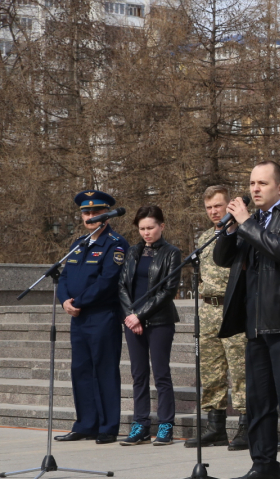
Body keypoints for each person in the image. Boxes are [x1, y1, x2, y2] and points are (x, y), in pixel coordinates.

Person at [214, 160, 280, 479]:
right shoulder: (251, 219)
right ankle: (264, 465)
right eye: (252, 183)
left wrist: (245, 223)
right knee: (259, 400)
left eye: (262, 183)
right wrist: (231, 230)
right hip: (255, 323)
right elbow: (221, 258)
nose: (254, 189)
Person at [55, 190, 129, 444]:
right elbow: (63, 277)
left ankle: (107, 427)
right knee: (81, 370)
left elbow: (107, 281)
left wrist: (79, 302)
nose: (89, 216)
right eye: (86, 212)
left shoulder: (115, 244)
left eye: (95, 212)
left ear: (106, 214)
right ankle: (86, 424)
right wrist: (64, 300)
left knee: (105, 371)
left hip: (101, 316)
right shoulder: (78, 244)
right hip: (78, 318)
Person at [185, 186, 248, 451]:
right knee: (210, 371)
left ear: (230, 206)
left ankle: (247, 426)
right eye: (209, 207)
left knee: (241, 370)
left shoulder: (244, 233)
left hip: (233, 307)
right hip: (207, 309)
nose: (214, 212)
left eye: (218, 206)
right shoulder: (205, 238)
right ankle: (215, 427)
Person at [117, 206, 181, 446]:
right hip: (132, 321)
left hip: (160, 321)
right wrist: (131, 316)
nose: (146, 232)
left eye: (151, 227)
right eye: (142, 228)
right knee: (138, 374)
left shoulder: (172, 253)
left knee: (161, 374)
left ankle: (166, 425)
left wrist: (140, 316)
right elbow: (122, 285)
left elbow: (167, 291)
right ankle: (140, 425)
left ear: (161, 226)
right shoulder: (132, 252)